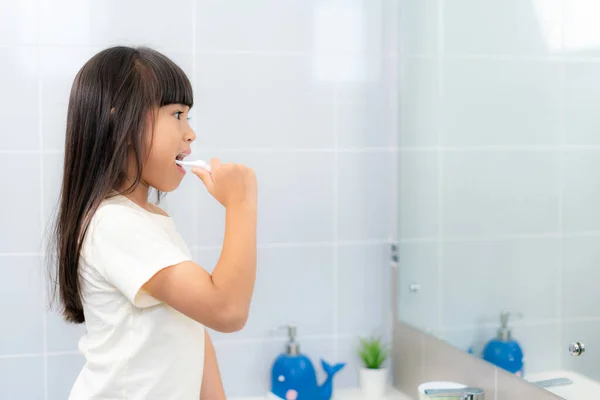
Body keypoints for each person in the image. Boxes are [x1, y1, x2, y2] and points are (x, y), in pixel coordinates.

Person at [49, 45, 258, 399]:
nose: (190, 133)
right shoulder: (113, 224)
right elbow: (227, 310)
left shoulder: (150, 220)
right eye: (177, 114)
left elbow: (193, 324)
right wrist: (241, 203)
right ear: (119, 122)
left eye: (188, 117)